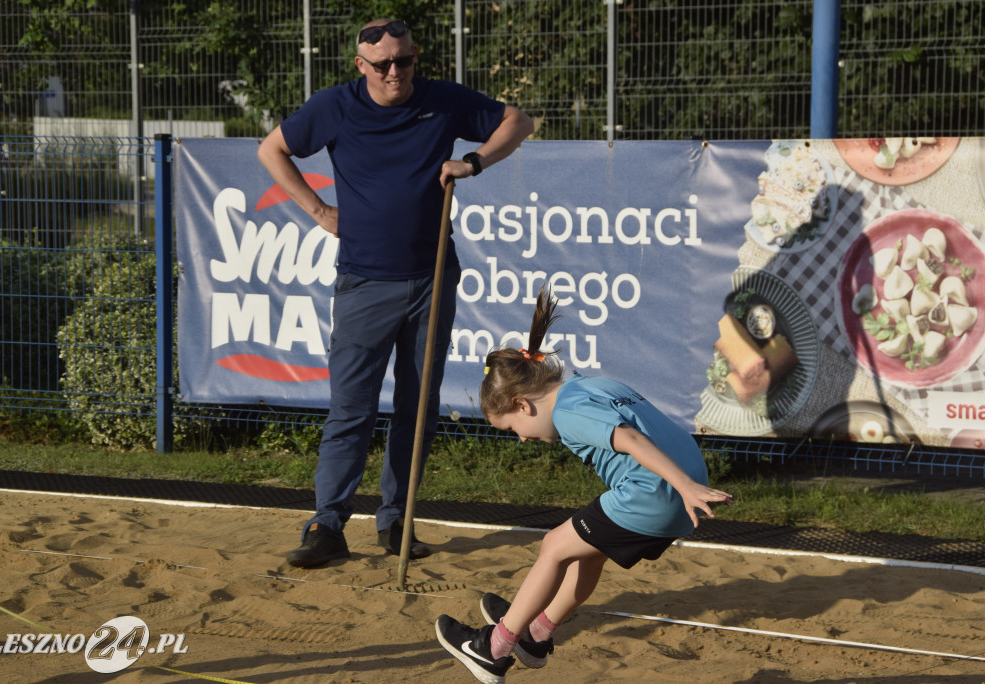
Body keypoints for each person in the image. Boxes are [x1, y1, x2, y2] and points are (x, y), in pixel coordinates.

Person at [257, 19, 534, 568]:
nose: (394, 72)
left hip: (432, 278)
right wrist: (317, 212)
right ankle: (327, 526)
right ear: (361, 66)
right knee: (351, 410)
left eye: (403, 61)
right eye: (382, 64)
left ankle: (395, 522)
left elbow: (518, 121)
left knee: (417, 406)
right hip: (364, 280)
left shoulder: (441, 99)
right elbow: (272, 150)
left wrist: (473, 162)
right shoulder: (335, 106)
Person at [434, 287, 734, 683]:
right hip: (670, 493)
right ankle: (536, 635)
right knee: (588, 554)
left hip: (659, 493)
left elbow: (632, 439)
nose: (522, 439)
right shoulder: (588, 386)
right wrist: (687, 484)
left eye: (512, 428)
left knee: (553, 547)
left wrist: (683, 486)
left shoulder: (571, 412)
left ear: (523, 404)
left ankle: (495, 649)